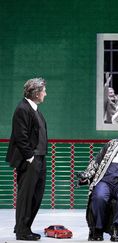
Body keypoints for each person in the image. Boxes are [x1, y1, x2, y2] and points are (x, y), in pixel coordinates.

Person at [5, 78, 48, 241]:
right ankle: (22, 232)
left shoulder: (34, 109)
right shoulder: (22, 109)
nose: (45, 93)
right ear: (36, 93)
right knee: (26, 196)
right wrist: (30, 157)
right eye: (43, 91)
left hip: (40, 158)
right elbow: (20, 136)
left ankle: (24, 226)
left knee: (36, 195)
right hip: (30, 160)